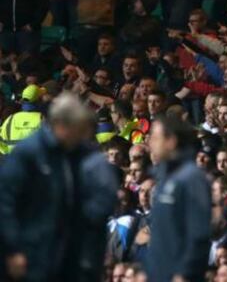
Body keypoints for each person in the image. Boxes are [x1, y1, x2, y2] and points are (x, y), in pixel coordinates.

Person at [0, 94, 117, 282]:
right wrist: (13, 249)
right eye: (78, 130)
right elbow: (6, 205)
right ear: (61, 125)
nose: (83, 137)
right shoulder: (29, 153)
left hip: (67, 251)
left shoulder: (79, 152)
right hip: (31, 252)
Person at [145, 114, 212, 282]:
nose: (150, 142)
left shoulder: (191, 177)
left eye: (155, 137)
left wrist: (185, 273)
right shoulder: (164, 177)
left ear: (171, 141)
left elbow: (199, 232)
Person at [0, 84, 46, 154]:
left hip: (13, 162)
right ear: (39, 100)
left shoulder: (10, 119)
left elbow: (1, 144)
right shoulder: (43, 119)